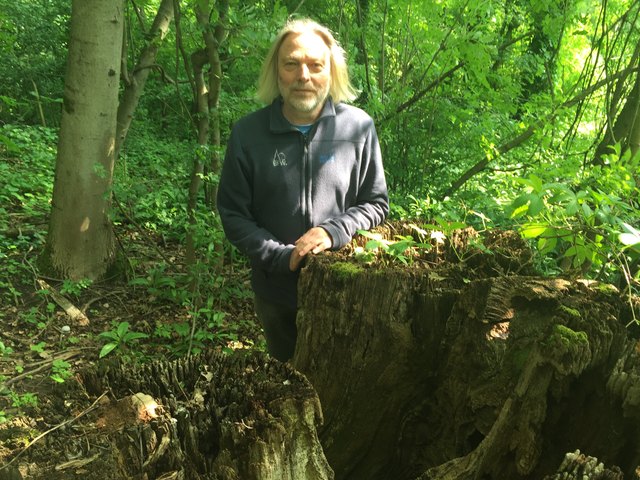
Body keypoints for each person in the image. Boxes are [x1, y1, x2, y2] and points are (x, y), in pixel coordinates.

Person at [217, 17, 389, 362]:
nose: (303, 76)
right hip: (274, 292)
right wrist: (281, 257)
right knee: (288, 384)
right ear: (276, 71)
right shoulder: (248, 135)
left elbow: (376, 203)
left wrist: (333, 230)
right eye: (291, 64)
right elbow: (234, 214)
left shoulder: (358, 128)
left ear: (331, 72)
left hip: (346, 293)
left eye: (315, 65)